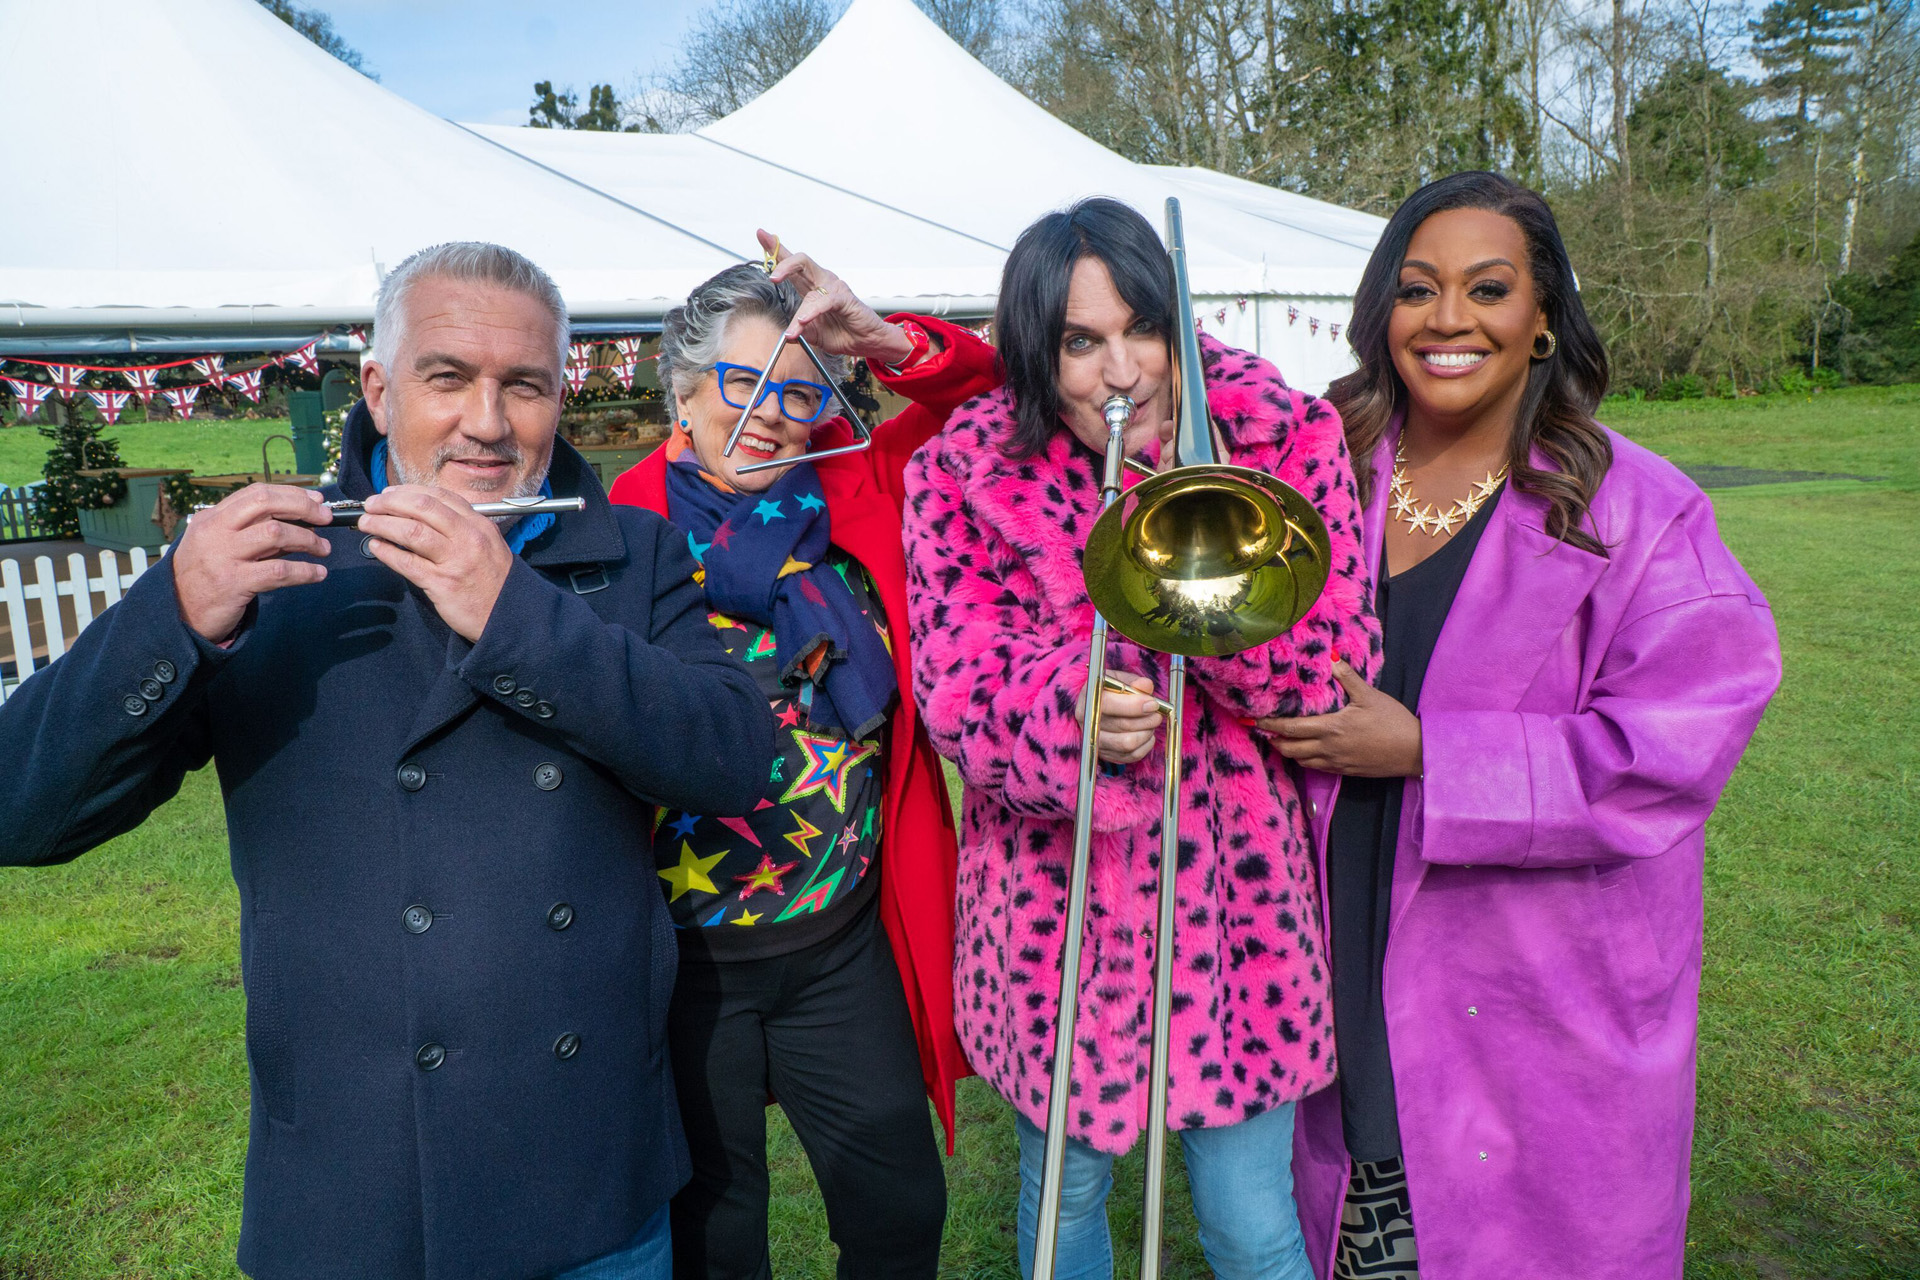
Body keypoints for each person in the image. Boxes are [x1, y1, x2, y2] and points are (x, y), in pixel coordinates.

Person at [0, 242, 772, 1280]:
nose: (488, 422)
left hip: (588, 1174)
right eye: (448, 377)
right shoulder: (274, 565)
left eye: (525, 386)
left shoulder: (630, 552)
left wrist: (516, 615)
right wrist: (169, 614)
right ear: (377, 385)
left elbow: (730, 760)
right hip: (355, 1191)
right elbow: (23, 810)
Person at [1262, 172, 1782, 1280]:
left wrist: (1429, 751)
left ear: (1542, 314)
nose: (1448, 319)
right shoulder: (1315, 476)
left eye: (1487, 288)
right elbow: (1116, 394)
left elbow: (1674, 748)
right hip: (1339, 941)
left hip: (1534, 994)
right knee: (1364, 1222)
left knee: (1522, 1235)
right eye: (1417, 289)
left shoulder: (1639, 511)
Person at [900, 197, 1381, 1280]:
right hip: (1050, 913)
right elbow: (953, 680)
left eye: (1142, 330)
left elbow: (1335, 669)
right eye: (1081, 342)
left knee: (1252, 1220)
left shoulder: (1282, 436)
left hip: (1238, 913)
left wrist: (1200, 595)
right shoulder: (962, 470)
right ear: (1037, 348)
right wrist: (1064, 710)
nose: (1122, 373)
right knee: (1059, 1200)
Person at [607, 233, 999, 1280]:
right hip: (688, 964)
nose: (769, 416)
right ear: (680, 394)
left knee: (900, 1211)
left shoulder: (856, 482)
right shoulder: (614, 529)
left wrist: (873, 338)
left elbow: (998, 401)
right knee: (718, 1240)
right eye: (740, 384)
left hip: (839, 940)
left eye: (794, 392)